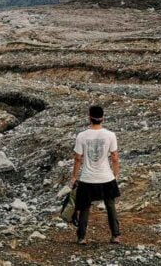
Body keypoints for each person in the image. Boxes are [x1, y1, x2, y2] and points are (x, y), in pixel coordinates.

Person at [70, 105, 121, 245]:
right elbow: (115, 157)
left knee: (84, 206)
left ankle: (81, 237)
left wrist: (74, 176)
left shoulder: (81, 136)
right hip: (106, 177)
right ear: (103, 118)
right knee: (110, 205)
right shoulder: (110, 135)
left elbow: (78, 158)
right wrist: (115, 174)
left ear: (89, 117)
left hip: (87, 178)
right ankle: (115, 235)